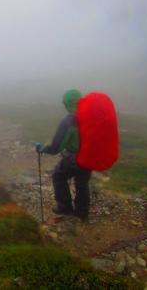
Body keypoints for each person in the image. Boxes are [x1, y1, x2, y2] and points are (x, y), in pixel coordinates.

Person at [37, 89, 91, 221]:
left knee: (59, 176)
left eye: (65, 104)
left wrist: (42, 149)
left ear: (67, 104)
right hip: (89, 156)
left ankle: (65, 207)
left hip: (73, 157)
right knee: (82, 183)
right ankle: (82, 212)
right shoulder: (90, 116)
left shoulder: (69, 121)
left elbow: (56, 147)